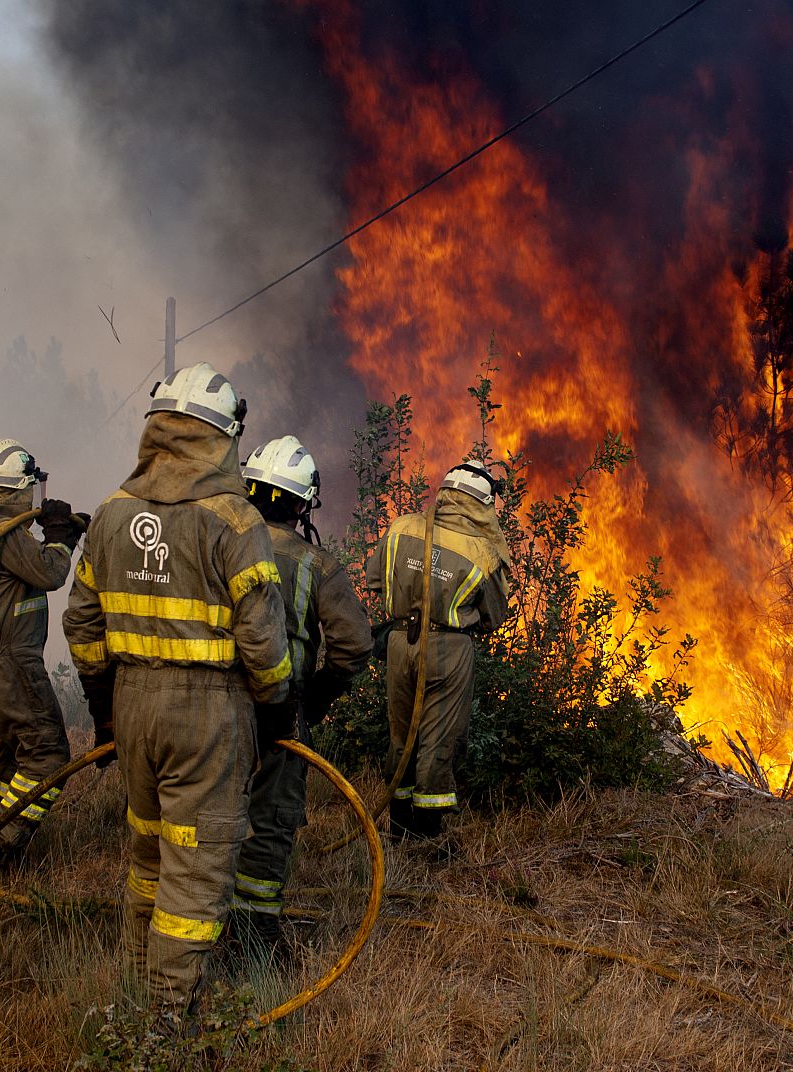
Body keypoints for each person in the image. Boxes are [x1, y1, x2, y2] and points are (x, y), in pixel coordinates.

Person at [63, 362, 291, 1009]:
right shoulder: (234, 520)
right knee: (196, 869)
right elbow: (264, 645)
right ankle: (164, 1019)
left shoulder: (112, 513)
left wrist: (104, 706)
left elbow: (80, 622)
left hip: (133, 706)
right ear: (221, 439)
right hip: (209, 714)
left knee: (148, 856)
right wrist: (276, 709)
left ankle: (137, 994)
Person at [230, 436, 372, 952]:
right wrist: (318, 699)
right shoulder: (315, 565)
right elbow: (354, 645)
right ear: (300, 504)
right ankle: (253, 937)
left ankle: (192, 921)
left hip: (213, 704)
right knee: (270, 820)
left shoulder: (217, 541)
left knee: (206, 810)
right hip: (280, 712)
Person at [0, 439, 89, 863]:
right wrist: (61, 538)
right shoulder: (4, 533)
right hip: (10, 662)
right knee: (47, 753)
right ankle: (4, 842)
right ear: (19, 489)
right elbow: (48, 572)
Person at [365, 460, 512, 841]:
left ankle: (397, 829)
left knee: (402, 735)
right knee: (439, 738)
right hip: (449, 649)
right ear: (483, 504)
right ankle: (425, 837)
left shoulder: (402, 527)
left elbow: (374, 580)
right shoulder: (483, 551)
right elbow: (493, 616)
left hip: (400, 642)